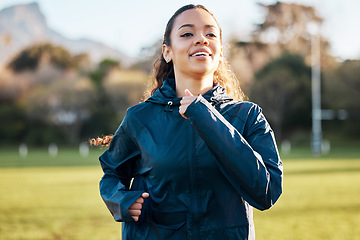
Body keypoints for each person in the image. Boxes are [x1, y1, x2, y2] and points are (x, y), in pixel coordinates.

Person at [92, 4, 283, 240]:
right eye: (187, 34)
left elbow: (267, 192)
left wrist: (205, 116)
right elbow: (112, 173)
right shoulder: (139, 118)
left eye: (210, 34)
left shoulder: (248, 116)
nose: (201, 39)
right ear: (167, 52)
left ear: (220, 51)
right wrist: (121, 200)